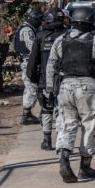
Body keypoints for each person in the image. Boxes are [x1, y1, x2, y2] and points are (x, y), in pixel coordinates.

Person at [45, 7, 95, 183]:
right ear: (90, 22)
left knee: (66, 125)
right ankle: (85, 168)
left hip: (65, 87)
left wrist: (50, 90)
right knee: (90, 126)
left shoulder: (60, 40)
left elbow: (51, 66)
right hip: (89, 87)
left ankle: (64, 159)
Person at [27, 8, 68, 151]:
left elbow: (32, 62)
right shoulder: (67, 35)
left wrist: (32, 79)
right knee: (63, 111)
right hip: (65, 81)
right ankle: (63, 143)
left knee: (46, 109)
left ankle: (46, 140)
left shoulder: (40, 36)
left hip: (45, 80)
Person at [14, 7, 44, 125]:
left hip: (29, 61)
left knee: (32, 86)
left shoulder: (29, 29)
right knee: (31, 87)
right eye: (39, 19)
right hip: (28, 62)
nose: (40, 22)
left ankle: (28, 113)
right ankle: (26, 115)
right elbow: (32, 48)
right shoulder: (27, 30)